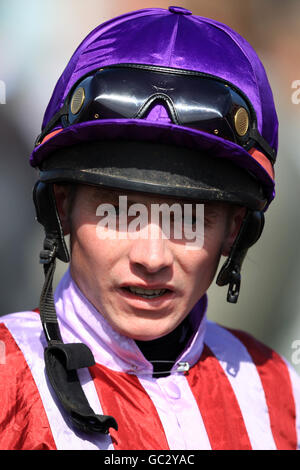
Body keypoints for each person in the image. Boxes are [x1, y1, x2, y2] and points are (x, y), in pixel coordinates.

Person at [0, 6, 299, 451]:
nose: (152, 257)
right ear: (60, 206)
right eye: (118, 212)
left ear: (235, 232)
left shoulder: (283, 393)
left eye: (191, 218)